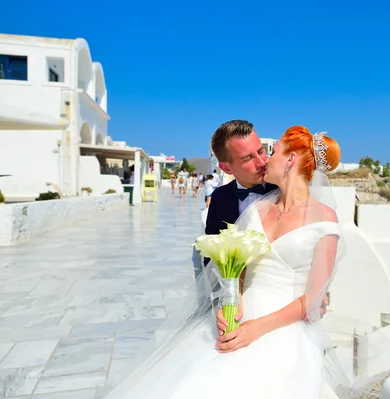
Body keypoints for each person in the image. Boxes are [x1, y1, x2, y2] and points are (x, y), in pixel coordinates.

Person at [99, 124, 344, 399]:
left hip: (283, 326)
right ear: (228, 168)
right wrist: (231, 299)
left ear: (290, 160)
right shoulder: (253, 209)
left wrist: (311, 302)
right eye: (252, 157)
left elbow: (313, 291)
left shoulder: (324, 220)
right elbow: (230, 263)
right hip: (235, 317)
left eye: (267, 151)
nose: (264, 160)